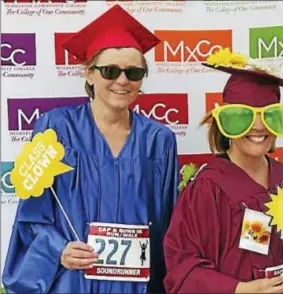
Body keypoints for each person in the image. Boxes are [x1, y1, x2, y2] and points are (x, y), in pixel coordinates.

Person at [2, 4, 179, 294]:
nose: (122, 81)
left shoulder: (159, 140)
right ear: (88, 73)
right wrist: (58, 249)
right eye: (110, 71)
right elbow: (33, 210)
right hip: (73, 281)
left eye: (133, 72)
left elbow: (167, 226)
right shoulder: (55, 129)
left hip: (137, 286)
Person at [163, 48, 283, 293]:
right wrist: (240, 289)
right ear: (226, 122)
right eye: (243, 117)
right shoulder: (208, 187)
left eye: (269, 116)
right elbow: (183, 269)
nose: (258, 127)